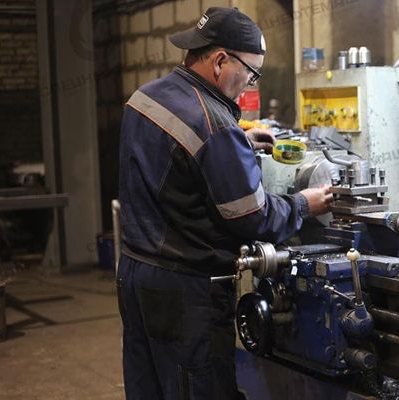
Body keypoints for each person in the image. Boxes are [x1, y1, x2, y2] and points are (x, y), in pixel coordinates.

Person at [115, 7, 332, 400]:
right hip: (185, 289)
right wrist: (303, 204)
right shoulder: (213, 125)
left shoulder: (144, 97)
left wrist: (237, 145)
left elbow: (173, 161)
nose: (249, 83)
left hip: (134, 271)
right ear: (219, 61)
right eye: (251, 73)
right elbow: (253, 218)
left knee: (149, 384)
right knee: (198, 387)